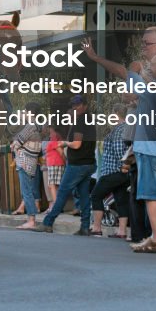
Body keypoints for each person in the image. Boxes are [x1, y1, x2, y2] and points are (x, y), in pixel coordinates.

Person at [84, 30, 156, 253]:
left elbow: (122, 73)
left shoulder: (149, 83)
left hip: (151, 148)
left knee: (150, 193)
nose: (143, 48)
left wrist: (96, 58)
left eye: (147, 44)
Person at [39, 96, 96, 235]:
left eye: (78, 105)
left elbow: (77, 144)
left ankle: (48, 222)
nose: (75, 108)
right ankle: (85, 226)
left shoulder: (79, 123)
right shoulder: (90, 120)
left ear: (85, 105)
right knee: (84, 196)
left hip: (77, 164)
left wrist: (64, 143)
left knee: (62, 193)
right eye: (73, 105)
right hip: (88, 163)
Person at [90, 104, 131, 238]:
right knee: (121, 199)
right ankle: (122, 231)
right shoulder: (127, 128)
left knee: (96, 195)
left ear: (116, 113)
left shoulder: (119, 129)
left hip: (113, 170)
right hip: (121, 172)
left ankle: (96, 228)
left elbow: (120, 150)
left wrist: (123, 164)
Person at [11, 105, 44, 230]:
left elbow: (16, 143)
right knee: (28, 190)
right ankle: (31, 219)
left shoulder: (30, 126)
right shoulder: (37, 126)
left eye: (24, 112)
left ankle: (31, 220)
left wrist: (16, 147)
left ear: (30, 112)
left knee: (26, 191)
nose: (23, 114)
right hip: (32, 162)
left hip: (24, 162)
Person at [43, 127, 65, 207]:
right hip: (59, 163)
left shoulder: (53, 136)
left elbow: (60, 151)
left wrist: (65, 161)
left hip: (53, 163)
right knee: (57, 184)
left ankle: (56, 205)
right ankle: (59, 204)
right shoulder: (57, 135)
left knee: (51, 184)